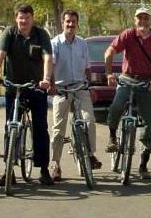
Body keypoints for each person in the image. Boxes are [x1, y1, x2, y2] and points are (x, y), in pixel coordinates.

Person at [0, 4, 55, 185]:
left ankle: (43, 169)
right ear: (15, 18)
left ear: (32, 18)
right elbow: (0, 54)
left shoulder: (41, 34)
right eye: (20, 18)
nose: (23, 21)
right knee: (10, 126)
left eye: (27, 18)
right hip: (14, 87)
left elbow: (47, 58)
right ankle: (8, 170)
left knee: (40, 127)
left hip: (35, 87)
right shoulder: (9, 33)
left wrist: (46, 79)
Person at [104, 7, 151, 179]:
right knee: (117, 105)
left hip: (147, 81)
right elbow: (110, 50)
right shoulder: (128, 35)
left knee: (148, 124)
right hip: (127, 79)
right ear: (135, 20)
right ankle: (112, 137)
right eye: (139, 18)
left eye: (146, 18)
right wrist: (109, 72)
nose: (142, 21)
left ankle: (143, 164)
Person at [49, 10, 102, 181]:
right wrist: (51, 86)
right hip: (61, 88)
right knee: (58, 129)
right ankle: (55, 164)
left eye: (73, 22)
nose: (70, 25)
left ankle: (90, 154)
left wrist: (90, 86)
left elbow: (87, 67)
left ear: (77, 24)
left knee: (89, 120)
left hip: (80, 87)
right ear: (62, 24)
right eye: (67, 22)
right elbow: (50, 66)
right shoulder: (55, 43)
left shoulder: (82, 44)